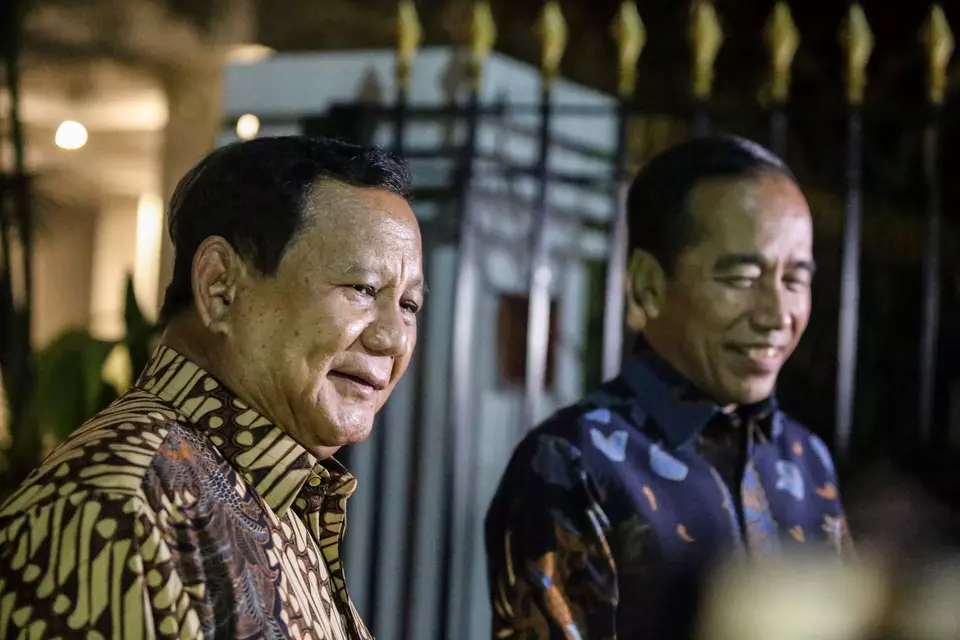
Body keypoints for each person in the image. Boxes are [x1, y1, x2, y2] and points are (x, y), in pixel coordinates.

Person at [0, 136, 424, 639]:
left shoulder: (275, 496)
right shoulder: (117, 511)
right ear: (220, 286)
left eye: (409, 305)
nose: (392, 337)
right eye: (363, 289)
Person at [485, 135, 854, 639]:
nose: (776, 316)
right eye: (743, 277)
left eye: (795, 280)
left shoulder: (806, 459)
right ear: (647, 286)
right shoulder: (571, 464)